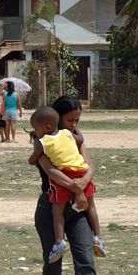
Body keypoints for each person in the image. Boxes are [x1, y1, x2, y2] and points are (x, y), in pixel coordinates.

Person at [30, 95, 112, 275]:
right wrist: (78, 188)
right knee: (53, 259)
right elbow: (49, 169)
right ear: (56, 118)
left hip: (77, 207)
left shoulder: (73, 138)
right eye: (70, 119)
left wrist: (85, 183)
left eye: (77, 120)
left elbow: (90, 165)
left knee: (86, 256)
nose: (74, 124)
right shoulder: (42, 139)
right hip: (52, 206)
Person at [27, 105, 105, 264]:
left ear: (47, 127)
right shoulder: (67, 133)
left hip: (64, 178)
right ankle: (97, 238)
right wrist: (75, 134)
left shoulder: (43, 142)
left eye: (36, 128)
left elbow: (32, 160)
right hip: (82, 173)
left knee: (57, 212)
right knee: (91, 208)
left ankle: (59, 242)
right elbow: (81, 141)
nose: (35, 132)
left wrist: (35, 153)